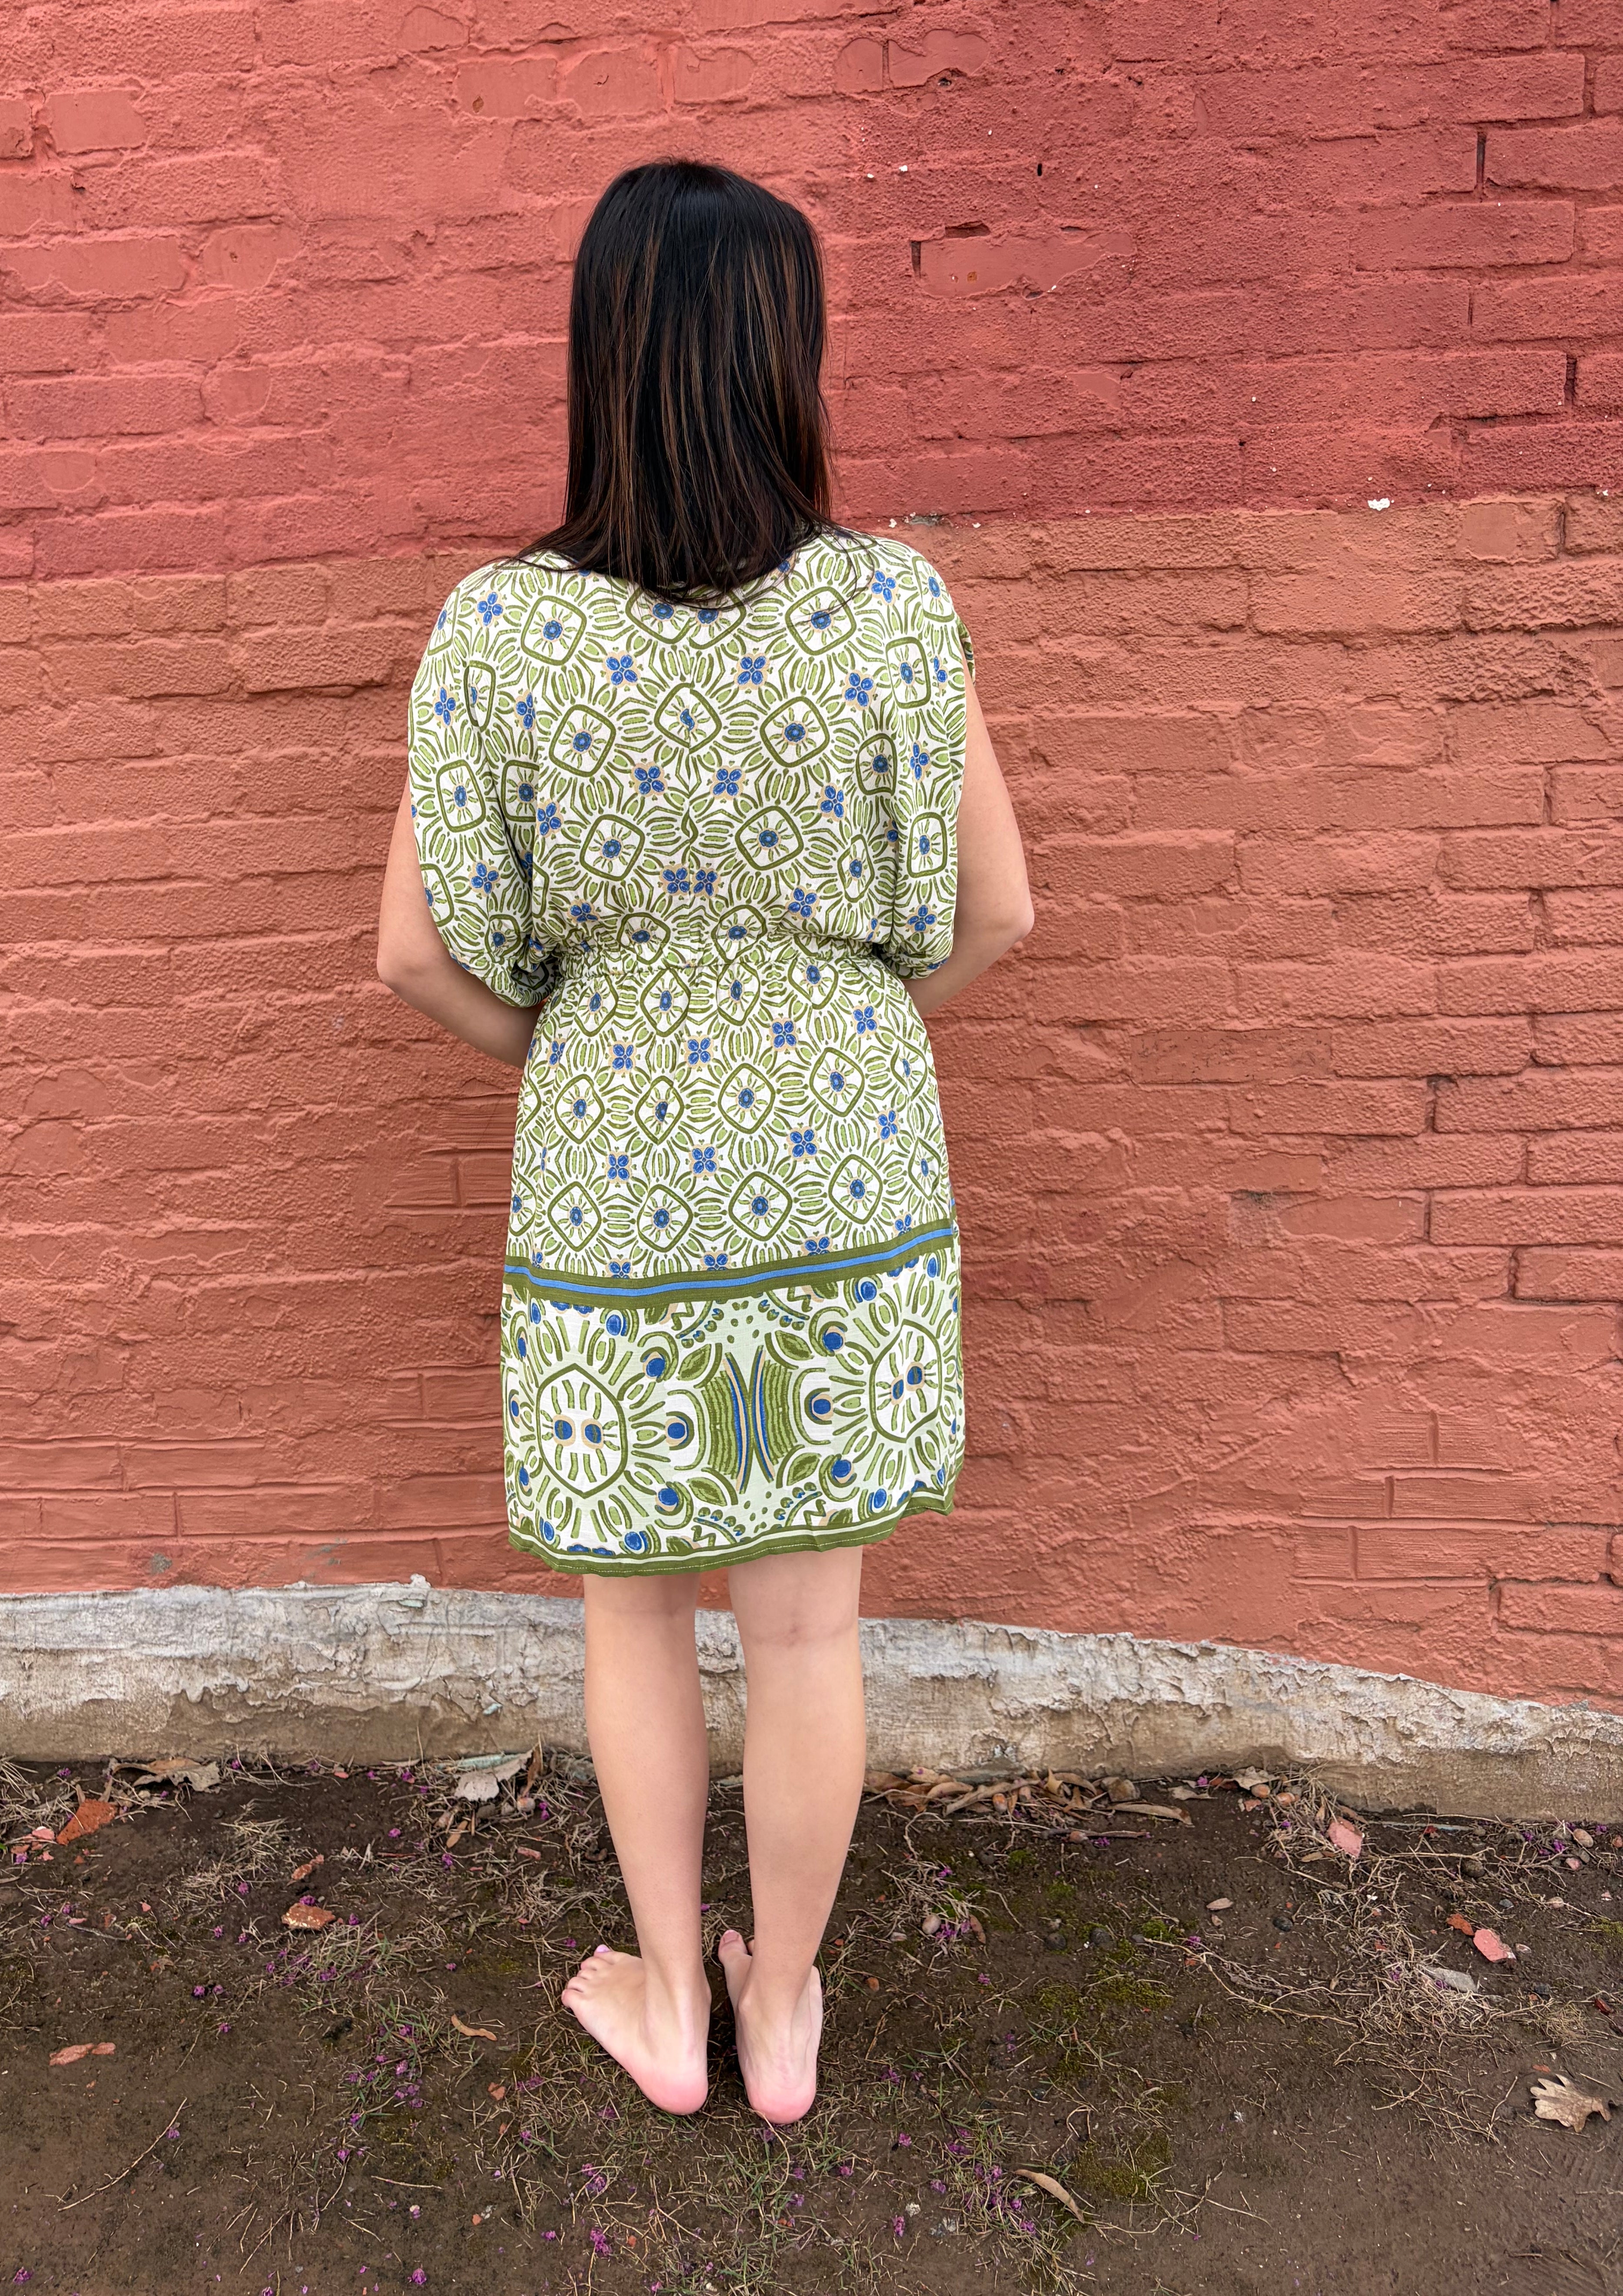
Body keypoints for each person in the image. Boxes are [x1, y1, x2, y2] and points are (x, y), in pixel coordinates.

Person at [375, 158, 1033, 2124]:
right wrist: (824, 1035)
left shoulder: (500, 634)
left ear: (599, 357)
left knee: (635, 1604)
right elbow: (997, 914)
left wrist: (585, 1044)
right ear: (786, 360)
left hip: (610, 1168)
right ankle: (790, 2014)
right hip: (843, 1159)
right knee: (810, 1618)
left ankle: (670, 2003)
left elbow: (417, 952)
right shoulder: (892, 611)